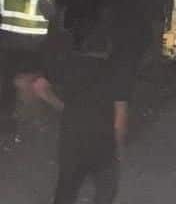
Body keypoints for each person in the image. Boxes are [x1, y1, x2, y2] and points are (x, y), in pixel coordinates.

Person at [52, 25, 129, 204]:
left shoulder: (70, 67)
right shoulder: (116, 73)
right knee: (106, 189)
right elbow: (119, 118)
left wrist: (63, 107)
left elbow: (41, 87)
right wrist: (119, 148)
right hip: (102, 141)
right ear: (108, 49)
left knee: (66, 189)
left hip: (71, 140)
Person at [0, 0, 63, 129]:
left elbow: (54, 21)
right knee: (11, 84)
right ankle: (14, 118)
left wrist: (50, 49)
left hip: (33, 49)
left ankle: (34, 118)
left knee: (27, 85)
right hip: (9, 48)